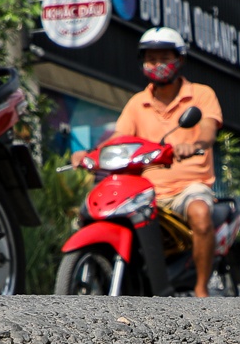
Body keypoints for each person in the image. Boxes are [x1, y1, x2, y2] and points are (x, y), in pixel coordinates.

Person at [86, 27, 223, 295]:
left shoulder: (201, 95)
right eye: (151, 58)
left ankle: (201, 290)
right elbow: (118, 139)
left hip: (189, 187)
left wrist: (194, 144)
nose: (157, 65)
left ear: (179, 59)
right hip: (146, 191)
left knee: (201, 214)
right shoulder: (137, 103)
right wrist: (91, 154)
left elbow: (207, 131)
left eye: (163, 58)